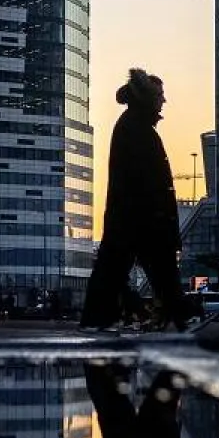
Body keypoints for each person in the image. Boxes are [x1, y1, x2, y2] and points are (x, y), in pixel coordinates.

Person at [81, 69, 190, 332]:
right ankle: (178, 317)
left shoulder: (134, 124)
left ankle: (100, 318)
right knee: (153, 268)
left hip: (131, 216)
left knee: (122, 268)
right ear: (149, 97)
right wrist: (158, 213)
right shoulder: (136, 128)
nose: (164, 101)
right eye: (160, 95)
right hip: (139, 216)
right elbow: (144, 177)